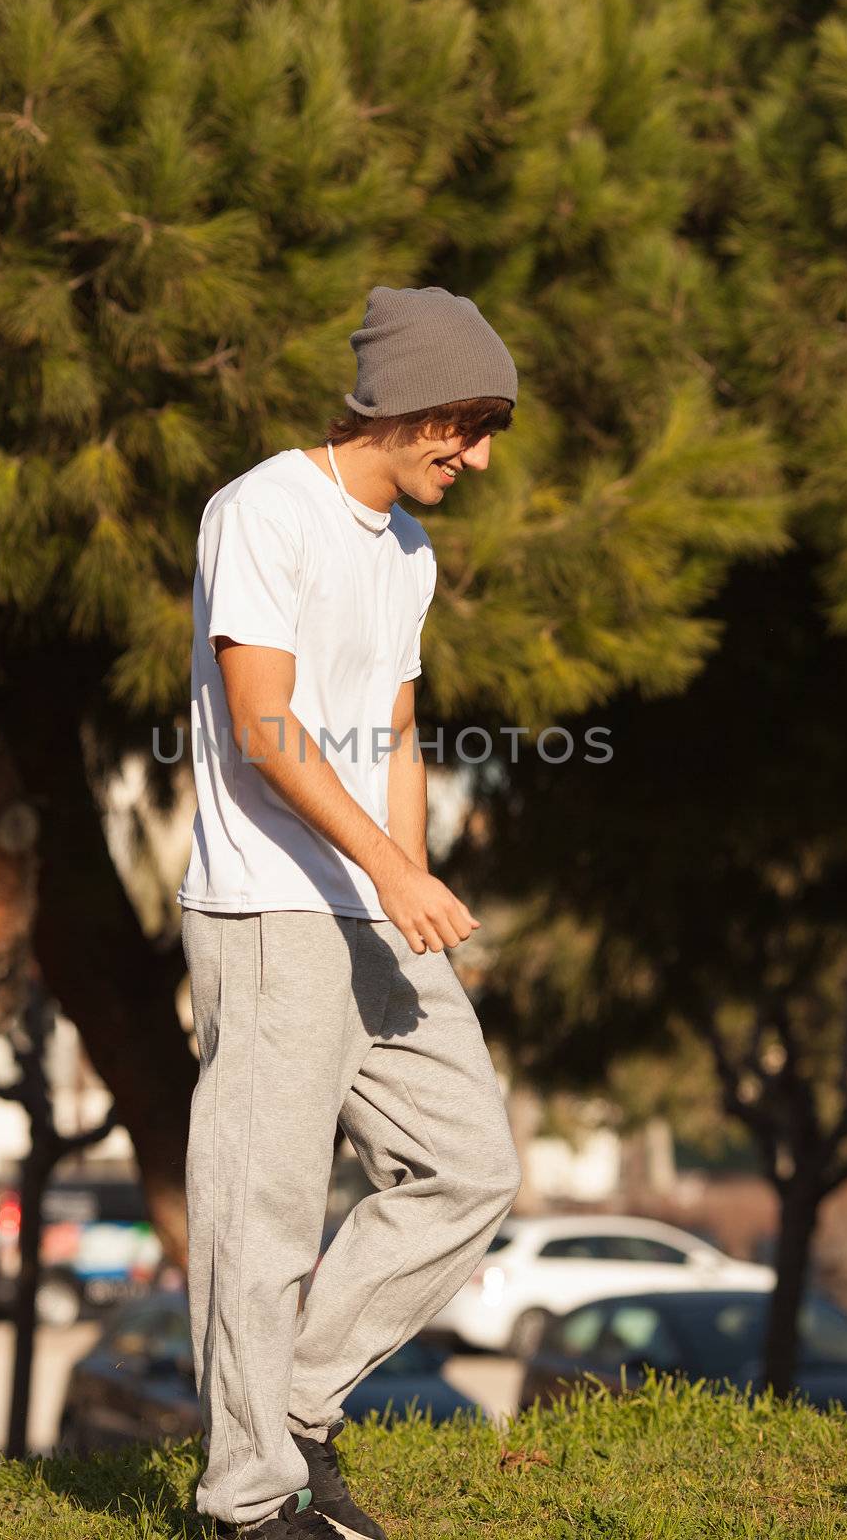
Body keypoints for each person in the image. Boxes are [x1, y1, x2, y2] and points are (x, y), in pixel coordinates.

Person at [177, 285, 524, 1538]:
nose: (477, 457)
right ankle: (247, 1495)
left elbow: (392, 730)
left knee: (468, 1166)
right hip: (269, 908)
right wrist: (385, 865)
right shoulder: (265, 510)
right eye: (466, 426)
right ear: (406, 405)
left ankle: (293, 1408)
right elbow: (265, 725)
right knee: (260, 1208)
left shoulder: (406, 551)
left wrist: (407, 885)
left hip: (372, 906)